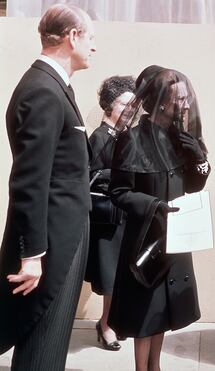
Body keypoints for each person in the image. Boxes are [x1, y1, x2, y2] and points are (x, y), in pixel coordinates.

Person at [0, 4, 96, 371]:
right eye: (90, 38)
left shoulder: (54, 86)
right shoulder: (42, 90)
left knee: (50, 346)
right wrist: (32, 255)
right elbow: (29, 181)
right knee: (43, 345)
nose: (93, 47)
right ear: (72, 37)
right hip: (52, 242)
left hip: (65, 233)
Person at [107, 65, 210, 371]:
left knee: (162, 310)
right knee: (144, 312)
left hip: (175, 237)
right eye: (180, 98)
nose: (186, 104)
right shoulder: (133, 140)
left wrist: (199, 159)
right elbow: (118, 191)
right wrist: (154, 205)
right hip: (145, 239)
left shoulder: (181, 138)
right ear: (163, 101)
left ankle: (155, 365)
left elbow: (194, 186)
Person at [84, 75, 135, 351]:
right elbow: (89, 175)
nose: (129, 110)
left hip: (123, 215)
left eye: (132, 105)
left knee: (119, 274)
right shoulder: (100, 136)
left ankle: (110, 321)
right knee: (110, 277)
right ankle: (106, 325)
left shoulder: (124, 136)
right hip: (107, 218)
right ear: (108, 106)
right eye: (123, 105)